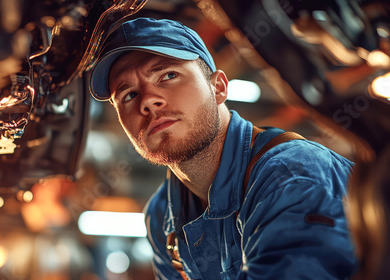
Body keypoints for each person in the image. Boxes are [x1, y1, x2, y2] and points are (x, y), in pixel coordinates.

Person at [89, 17, 358, 279]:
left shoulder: (289, 173)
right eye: (129, 95)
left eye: (168, 75)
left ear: (218, 87)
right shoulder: (161, 216)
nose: (147, 100)